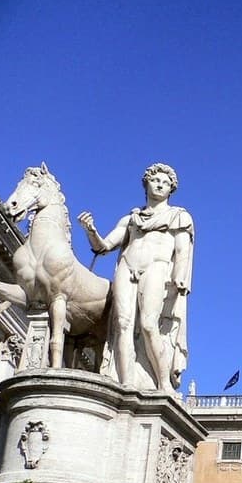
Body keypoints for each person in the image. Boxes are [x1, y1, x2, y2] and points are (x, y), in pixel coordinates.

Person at [78, 163, 194, 393]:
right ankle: (126, 384)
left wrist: (180, 278)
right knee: (122, 324)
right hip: (127, 266)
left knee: (150, 325)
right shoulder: (131, 219)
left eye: (165, 182)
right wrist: (91, 230)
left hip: (157, 268)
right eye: (155, 180)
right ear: (146, 184)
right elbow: (104, 247)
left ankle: (163, 384)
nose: (160, 184)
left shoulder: (179, 216)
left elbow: (182, 252)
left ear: (171, 189)